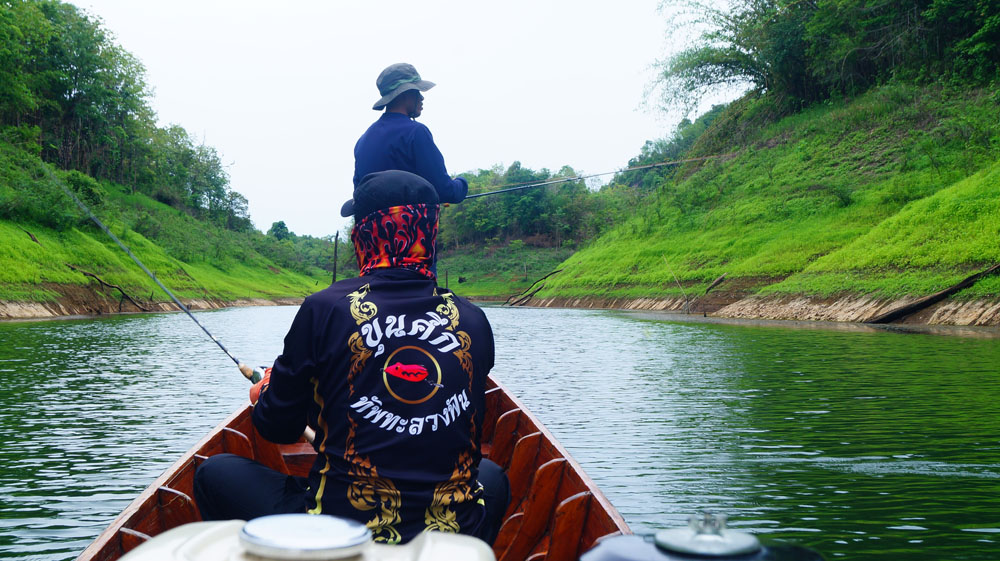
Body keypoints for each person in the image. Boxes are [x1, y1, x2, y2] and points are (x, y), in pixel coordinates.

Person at [194, 170, 509, 545]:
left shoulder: (324, 309)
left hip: (339, 532)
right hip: (451, 529)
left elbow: (277, 427)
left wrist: (264, 395)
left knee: (214, 473)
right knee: (492, 476)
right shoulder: (473, 320)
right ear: (430, 234)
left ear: (365, 235)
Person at [348, 63, 468, 216]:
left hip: (374, 238)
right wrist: (462, 183)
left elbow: (359, 197)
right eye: (417, 91)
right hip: (412, 237)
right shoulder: (416, 132)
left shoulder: (362, 142)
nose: (422, 97)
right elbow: (445, 191)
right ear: (405, 94)